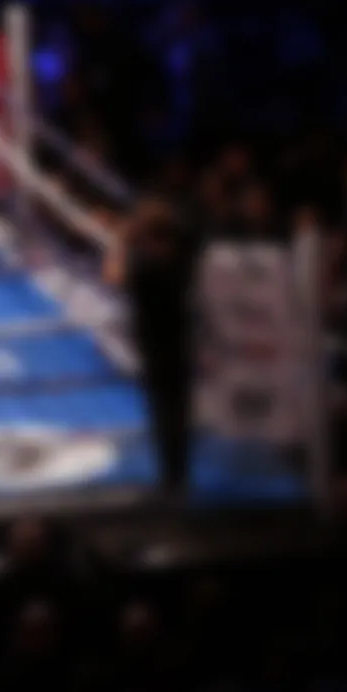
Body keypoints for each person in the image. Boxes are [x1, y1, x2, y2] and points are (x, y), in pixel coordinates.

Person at [107, 198, 198, 502]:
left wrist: (121, 242)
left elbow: (113, 275)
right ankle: (178, 477)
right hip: (181, 343)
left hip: (158, 349)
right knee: (178, 413)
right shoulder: (181, 261)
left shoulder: (146, 268)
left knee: (165, 414)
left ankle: (171, 481)